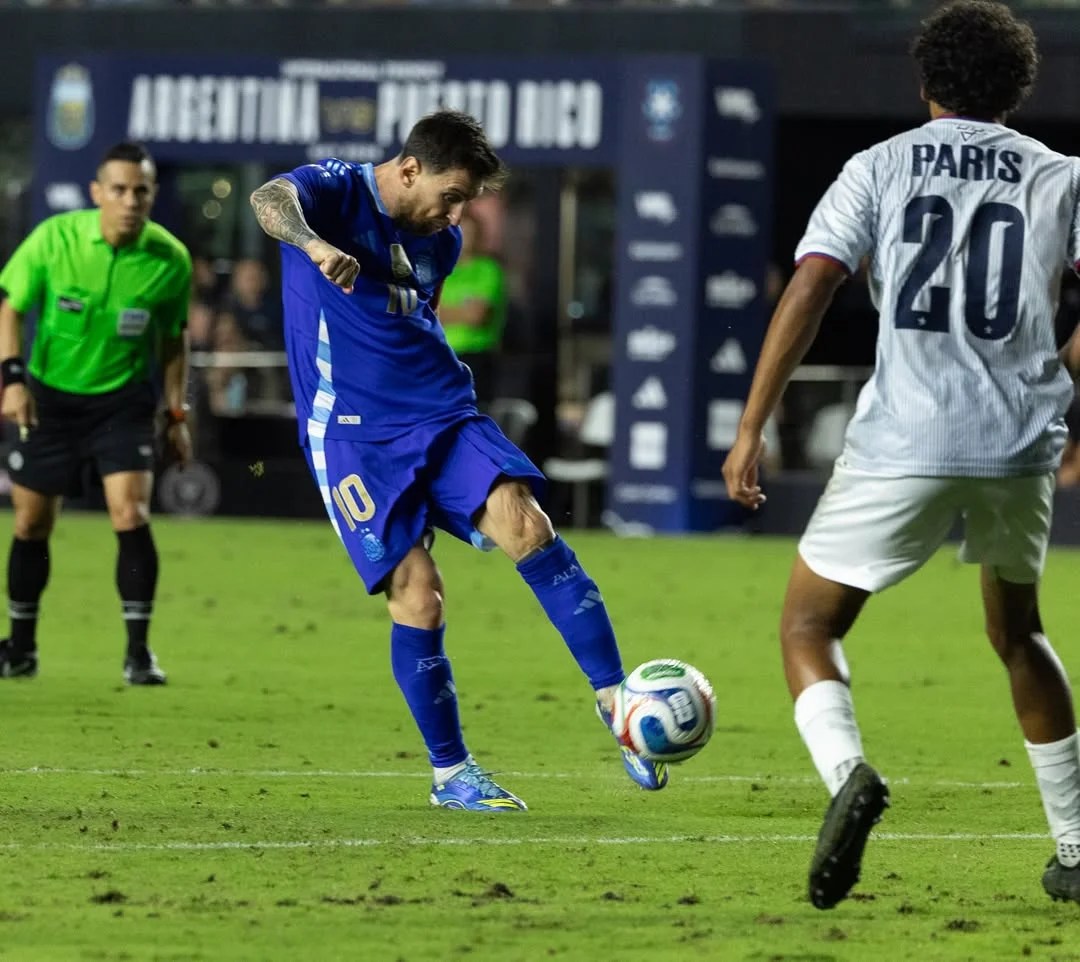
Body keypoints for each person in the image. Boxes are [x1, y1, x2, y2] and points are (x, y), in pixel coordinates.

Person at [722, 0, 1080, 909]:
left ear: (925, 84)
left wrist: (752, 423)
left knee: (809, 627)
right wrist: (1062, 378)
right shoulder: (1061, 176)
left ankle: (848, 773)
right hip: (1018, 443)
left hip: (904, 440)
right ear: (1018, 90)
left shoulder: (876, 167)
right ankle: (1076, 848)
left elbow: (813, 283)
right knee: (1019, 632)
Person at [249, 109, 664, 811]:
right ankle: (452, 773)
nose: (458, 212)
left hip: (442, 411)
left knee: (528, 524)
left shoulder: (443, 243)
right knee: (419, 589)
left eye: (467, 199)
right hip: (353, 433)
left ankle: (616, 700)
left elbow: (417, 321)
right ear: (409, 169)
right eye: (453, 193)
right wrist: (315, 247)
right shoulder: (333, 192)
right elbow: (268, 201)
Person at [0, 140, 192, 685]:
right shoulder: (54, 240)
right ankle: (20, 647)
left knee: (130, 513)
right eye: (120, 190)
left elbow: (174, 341)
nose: (131, 201)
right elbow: (10, 306)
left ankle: (138, 654)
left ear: (153, 195)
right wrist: (12, 380)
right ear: (97, 194)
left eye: (142, 191)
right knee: (32, 522)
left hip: (122, 402)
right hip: (49, 400)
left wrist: (177, 414)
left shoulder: (170, 259)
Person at [437, 211, 508, 408]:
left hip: (475, 360)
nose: (463, 238)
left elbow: (476, 316)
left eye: (469, 232)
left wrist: (441, 311)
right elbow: (419, 311)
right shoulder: (437, 269)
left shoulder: (487, 270)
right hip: (437, 357)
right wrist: (460, 311)